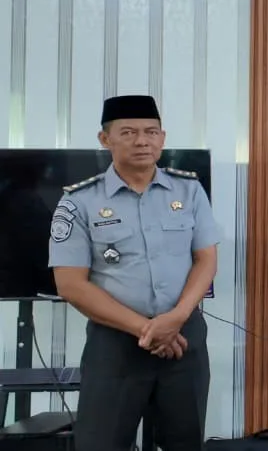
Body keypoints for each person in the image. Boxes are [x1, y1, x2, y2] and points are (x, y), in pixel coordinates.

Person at [48, 94, 221, 451]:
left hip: (183, 340)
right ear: (105, 139)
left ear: (162, 138)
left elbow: (206, 259)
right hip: (116, 345)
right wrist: (149, 329)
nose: (142, 141)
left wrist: (175, 318)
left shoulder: (189, 191)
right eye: (128, 132)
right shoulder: (79, 201)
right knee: (102, 443)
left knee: (185, 443)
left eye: (151, 132)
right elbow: (70, 285)